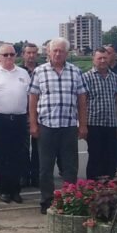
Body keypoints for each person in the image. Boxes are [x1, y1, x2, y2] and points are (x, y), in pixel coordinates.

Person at [28, 37, 88, 215]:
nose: (58, 53)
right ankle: (46, 201)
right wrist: (33, 124)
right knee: (45, 168)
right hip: (46, 126)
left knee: (70, 167)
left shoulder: (75, 72)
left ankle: (70, 200)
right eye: (55, 50)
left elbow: (82, 100)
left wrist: (83, 125)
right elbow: (33, 99)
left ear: (66, 53)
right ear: (48, 52)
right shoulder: (39, 72)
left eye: (61, 51)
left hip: (68, 126)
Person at [0, 44, 31, 204]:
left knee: (18, 156)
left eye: (12, 54)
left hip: (19, 119)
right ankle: (3, 190)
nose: (9, 57)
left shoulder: (23, 73)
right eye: (5, 55)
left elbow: (30, 97)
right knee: (1, 157)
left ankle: (15, 190)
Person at [81, 47, 117, 180]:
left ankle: (109, 185)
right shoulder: (86, 77)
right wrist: (82, 125)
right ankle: (92, 185)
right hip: (93, 123)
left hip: (110, 123)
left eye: (105, 58)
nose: (102, 61)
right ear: (93, 60)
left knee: (111, 156)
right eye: (99, 58)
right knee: (95, 156)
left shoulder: (115, 78)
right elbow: (82, 102)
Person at [21, 42, 41, 187]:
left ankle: (36, 176)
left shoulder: (43, 70)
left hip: (39, 114)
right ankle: (23, 175)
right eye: (28, 53)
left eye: (34, 53)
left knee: (38, 148)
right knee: (22, 147)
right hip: (21, 114)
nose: (31, 55)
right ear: (23, 54)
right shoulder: (18, 71)